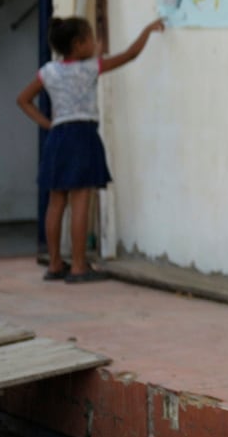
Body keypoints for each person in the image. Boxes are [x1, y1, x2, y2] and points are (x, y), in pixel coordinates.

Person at [16, 15, 165, 282]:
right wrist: (147, 30)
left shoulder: (48, 71)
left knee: (56, 201)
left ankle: (54, 265)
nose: (95, 44)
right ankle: (79, 267)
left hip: (58, 136)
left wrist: (48, 124)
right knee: (81, 198)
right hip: (82, 134)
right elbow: (130, 54)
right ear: (78, 43)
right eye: (91, 39)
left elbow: (23, 100)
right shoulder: (89, 69)